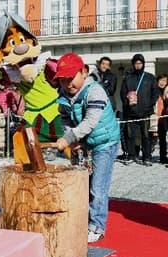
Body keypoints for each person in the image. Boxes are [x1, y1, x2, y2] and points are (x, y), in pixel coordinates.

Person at [55, 53, 120, 243]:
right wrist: (73, 139)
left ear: (84, 72)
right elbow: (65, 119)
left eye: (71, 78)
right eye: (63, 80)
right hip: (86, 142)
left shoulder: (95, 91)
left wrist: (69, 137)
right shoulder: (63, 96)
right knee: (85, 183)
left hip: (105, 142)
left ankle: (97, 226)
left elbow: (91, 121)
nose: (68, 84)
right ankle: (84, 218)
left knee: (98, 187)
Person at [120, 54, 160, 166]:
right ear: (133, 64)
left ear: (143, 64)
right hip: (131, 112)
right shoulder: (128, 77)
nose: (138, 65)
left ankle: (146, 157)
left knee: (146, 136)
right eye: (136, 63)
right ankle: (132, 155)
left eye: (140, 63)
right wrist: (127, 104)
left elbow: (155, 93)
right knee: (130, 135)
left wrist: (149, 106)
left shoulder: (150, 77)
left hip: (145, 112)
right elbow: (123, 93)